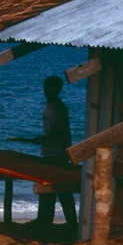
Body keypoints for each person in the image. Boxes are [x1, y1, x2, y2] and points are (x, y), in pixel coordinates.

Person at [30, 75, 78, 231]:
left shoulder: (59, 108)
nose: (46, 91)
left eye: (49, 88)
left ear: (56, 90)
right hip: (49, 152)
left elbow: (59, 131)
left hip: (57, 154)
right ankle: (44, 220)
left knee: (62, 190)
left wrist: (43, 139)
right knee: (47, 188)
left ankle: (71, 223)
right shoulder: (50, 106)